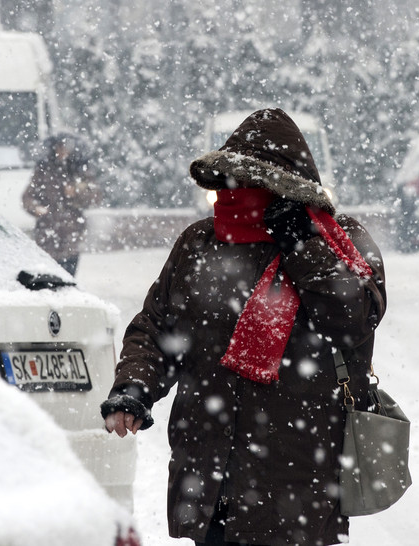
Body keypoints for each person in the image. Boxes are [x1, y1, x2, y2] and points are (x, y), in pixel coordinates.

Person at [100, 109, 386, 546]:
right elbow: (159, 327)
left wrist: (300, 245)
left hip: (299, 481)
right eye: (226, 182)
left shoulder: (335, 239)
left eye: (249, 184)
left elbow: (354, 321)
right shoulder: (200, 242)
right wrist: (135, 387)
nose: (234, 194)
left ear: (285, 188)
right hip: (209, 475)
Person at [22, 132, 101, 276]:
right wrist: (35, 208)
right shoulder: (44, 169)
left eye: (66, 147)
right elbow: (28, 197)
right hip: (47, 234)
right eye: (59, 147)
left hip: (71, 235)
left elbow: (95, 196)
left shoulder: (79, 170)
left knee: (68, 278)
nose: (62, 150)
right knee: (47, 278)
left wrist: (76, 192)